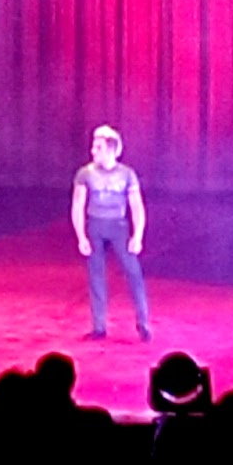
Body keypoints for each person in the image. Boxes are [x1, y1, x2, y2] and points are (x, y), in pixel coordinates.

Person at [71, 123, 151, 342]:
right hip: (95, 225)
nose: (93, 151)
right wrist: (81, 236)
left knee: (133, 272)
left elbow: (137, 206)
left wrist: (137, 236)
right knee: (96, 275)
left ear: (110, 149)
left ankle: (143, 323)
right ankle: (99, 326)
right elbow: (78, 205)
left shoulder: (127, 174)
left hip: (118, 226)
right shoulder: (85, 174)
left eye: (98, 147)